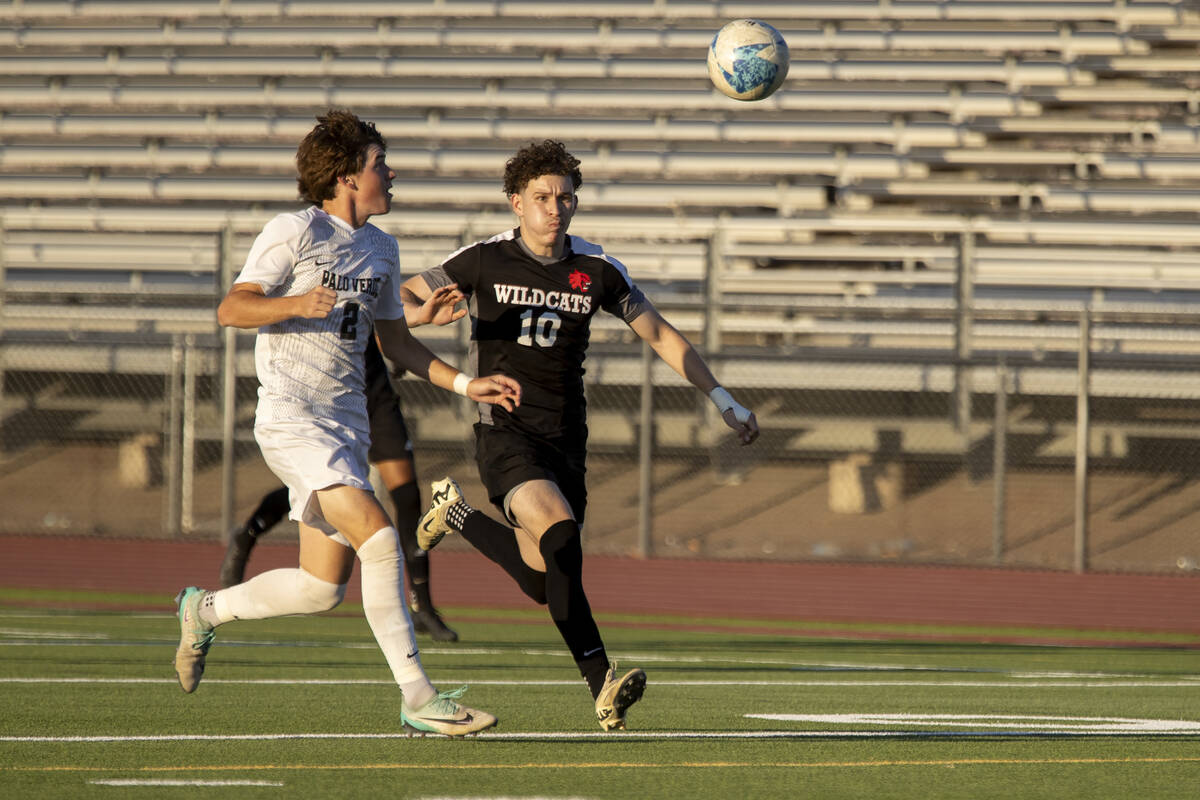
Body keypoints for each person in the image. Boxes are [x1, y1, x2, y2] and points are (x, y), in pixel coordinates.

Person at [173, 109, 521, 737]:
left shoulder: (383, 249)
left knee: (319, 588)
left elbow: (394, 344)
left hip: (346, 426)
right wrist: (294, 303)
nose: (389, 173)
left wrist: (467, 381)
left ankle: (205, 609)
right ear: (343, 177)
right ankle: (419, 697)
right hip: (292, 417)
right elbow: (232, 308)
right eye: (378, 163)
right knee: (381, 536)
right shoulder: (295, 230)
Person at [400, 139, 759, 731]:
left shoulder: (596, 269)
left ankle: (456, 514)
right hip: (505, 433)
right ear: (516, 203)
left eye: (565, 197)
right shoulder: (484, 260)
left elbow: (663, 335)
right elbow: (403, 299)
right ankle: (602, 682)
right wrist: (422, 315)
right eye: (542, 197)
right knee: (562, 537)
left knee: (544, 583)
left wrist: (723, 400)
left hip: (566, 438)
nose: (555, 208)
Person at [220, 334, 458, 642]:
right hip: (328, 402)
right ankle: (248, 534)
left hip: (375, 397)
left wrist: (414, 322)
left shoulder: (374, 284)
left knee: (407, 496)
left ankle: (422, 605)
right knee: (319, 491)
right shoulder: (319, 289)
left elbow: (393, 312)